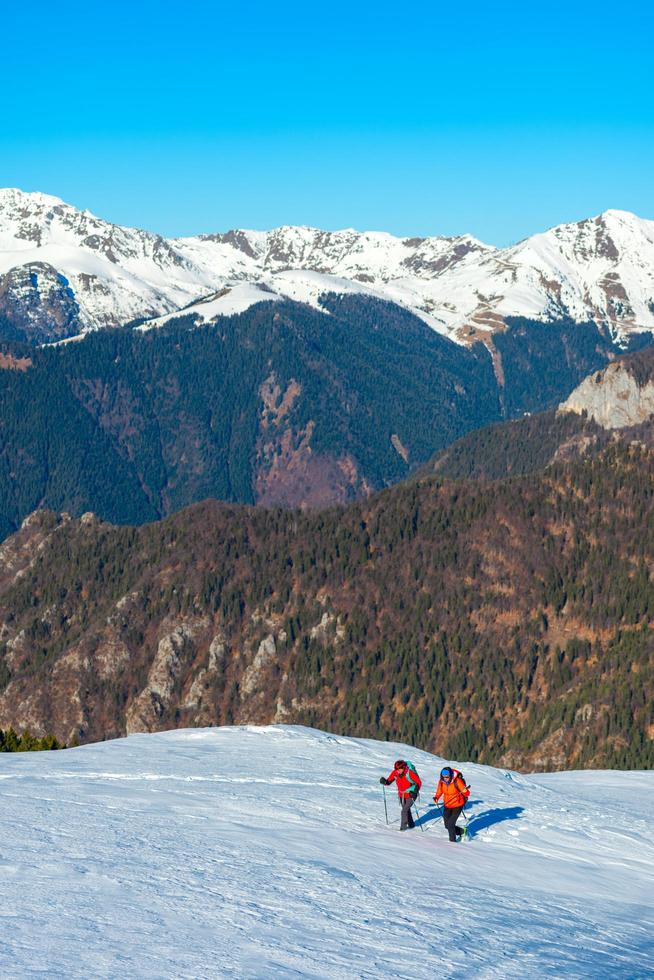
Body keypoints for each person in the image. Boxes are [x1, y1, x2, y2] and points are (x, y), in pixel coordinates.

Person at [380, 759, 422, 831]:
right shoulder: (395, 772)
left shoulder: (410, 773)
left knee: (404, 810)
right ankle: (411, 824)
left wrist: (414, 792)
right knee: (406, 810)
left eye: (399, 769)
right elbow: (389, 781)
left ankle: (403, 828)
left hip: (411, 794)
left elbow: (419, 783)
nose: (398, 771)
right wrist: (385, 782)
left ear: (404, 767)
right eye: (396, 769)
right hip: (401, 795)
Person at [433, 766, 470, 841]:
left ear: (450, 775)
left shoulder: (457, 781)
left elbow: (467, 793)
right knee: (447, 825)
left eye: (447, 777)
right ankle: (463, 832)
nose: (445, 778)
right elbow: (439, 791)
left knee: (450, 824)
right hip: (447, 805)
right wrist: (436, 797)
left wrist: (465, 791)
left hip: (457, 805)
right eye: (443, 777)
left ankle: (452, 843)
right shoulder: (441, 782)